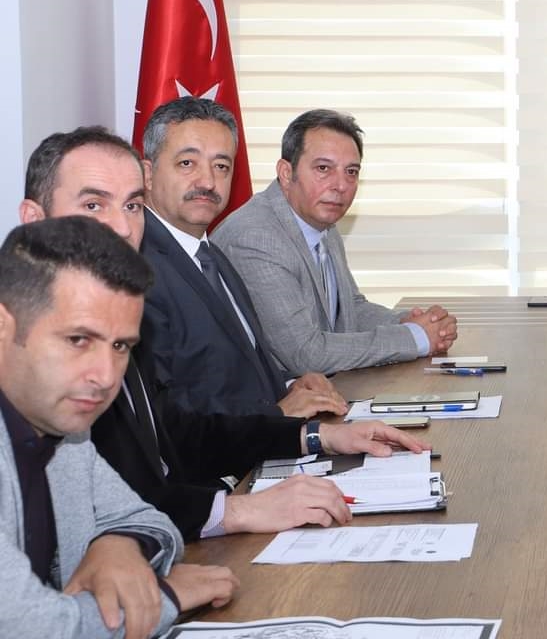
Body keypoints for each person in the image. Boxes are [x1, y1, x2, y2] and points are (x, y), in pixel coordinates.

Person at [19, 128, 428, 542]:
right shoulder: (27, 350)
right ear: (33, 219)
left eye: (132, 205)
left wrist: (317, 436)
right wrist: (236, 511)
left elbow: (174, 433)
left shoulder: (116, 314)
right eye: (93, 205)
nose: (123, 227)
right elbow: (103, 515)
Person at [0, 216, 238, 639]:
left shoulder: (65, 430)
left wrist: (117, 545)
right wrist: (168, 597)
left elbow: (149, 519)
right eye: (78, 340)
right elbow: (32, 628)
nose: (106, 376)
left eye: (120, 346)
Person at [137, 98, 345, 418]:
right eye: (187, 163)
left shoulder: (212, 257)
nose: (208, 182)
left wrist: (290, 387)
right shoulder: (138, 271)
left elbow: (230, 377)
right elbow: (171, 414)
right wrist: (277, 416)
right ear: (148, 174)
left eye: (221, 166)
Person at [213, 109, 457, 375]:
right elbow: (306, 354)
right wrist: (414, 338)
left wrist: (409, 323)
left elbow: (349, 309)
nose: (341, 185)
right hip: (272, 397)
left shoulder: (321, 222)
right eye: (323, 168)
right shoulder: (256, 238)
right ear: (286, 172)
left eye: (351, 171)